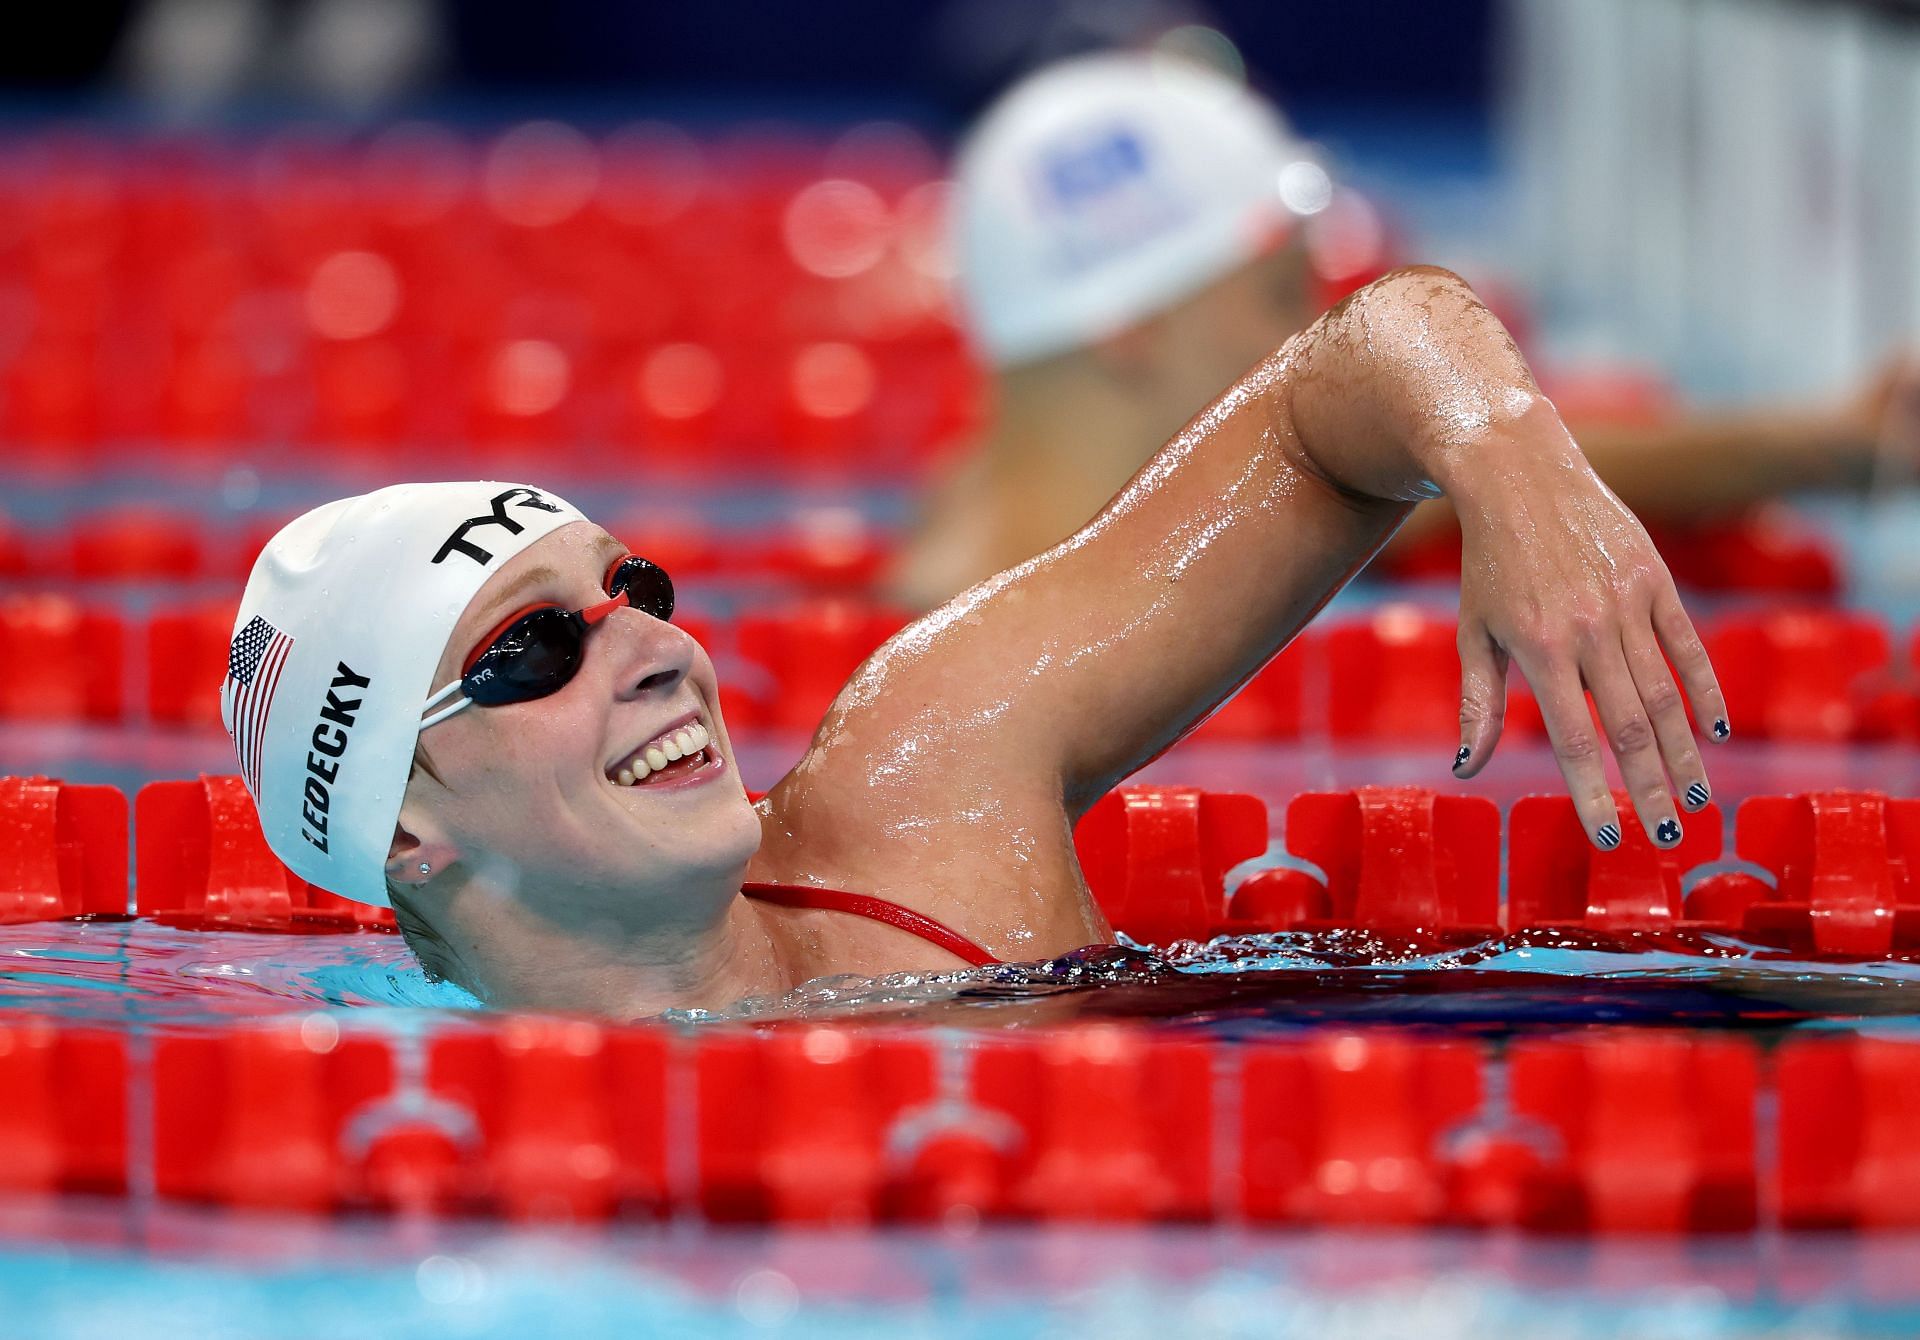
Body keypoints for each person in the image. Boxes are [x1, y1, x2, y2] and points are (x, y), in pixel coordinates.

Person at [228, 267, 1728, 1017]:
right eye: (531, 650)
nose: (652, 651)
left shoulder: (920, 787)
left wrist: (1508, 454)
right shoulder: (459, 1187)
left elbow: (1350, 375)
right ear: (406, 826)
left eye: (639, 590)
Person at [889, 52, 1918, 609]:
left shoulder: (1040, 511)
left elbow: (1462, 469)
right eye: (1283, 290)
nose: (1314, 329)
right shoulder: (1057, 612)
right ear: (1129, 328)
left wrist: (1832, 444)